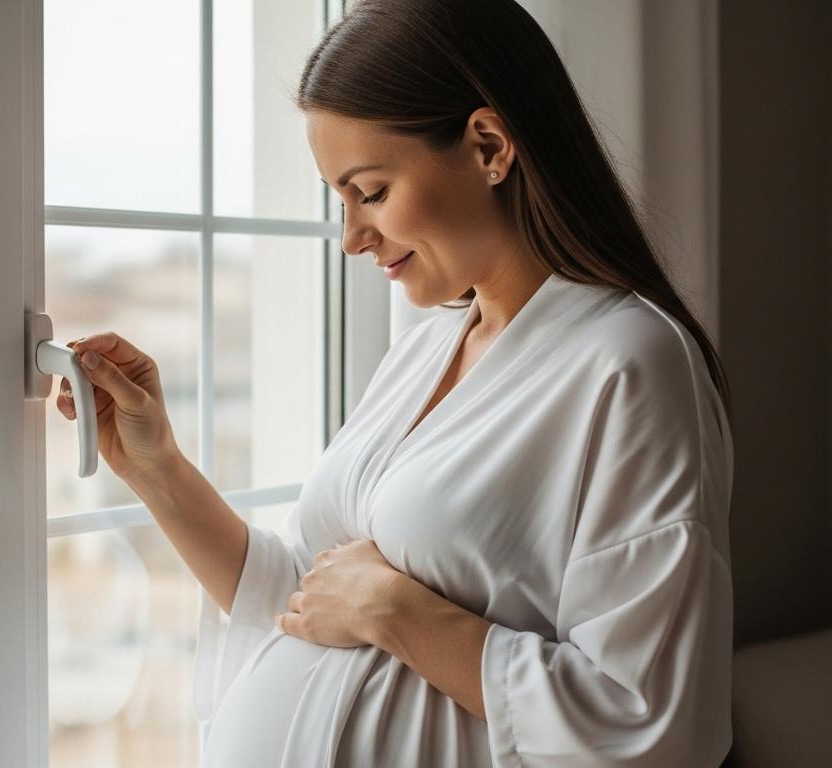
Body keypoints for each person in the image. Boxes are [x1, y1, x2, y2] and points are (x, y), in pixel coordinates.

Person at [58, 0, 734, 764]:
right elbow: (305, 600)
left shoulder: (628, 364)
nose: (352, 238)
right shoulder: (425, 351)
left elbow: (651, 719)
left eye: (371, 193)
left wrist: (399, 613)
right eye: (339, 200)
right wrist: (156, 468)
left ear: (488, 147)